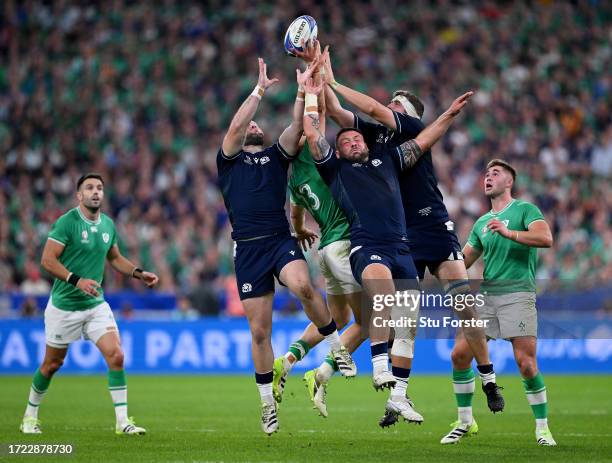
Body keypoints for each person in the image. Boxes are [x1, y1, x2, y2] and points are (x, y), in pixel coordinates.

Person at [319, 48, 504, 426]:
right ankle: (398, 397)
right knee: (406, 317)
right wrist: (316, 80)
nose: (390, 107)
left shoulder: (411, 129)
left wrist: (334, 80)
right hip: (399, 234)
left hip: (432, 224)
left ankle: (488, 378)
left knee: (462, 301)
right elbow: (339, 114)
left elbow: (369, 106)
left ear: (410, 116)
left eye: (397, 105)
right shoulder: (373, 139)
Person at [216, 57, 355, 435]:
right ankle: (266, 405)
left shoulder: (277, 158)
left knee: (303, 286)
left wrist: (301, 90)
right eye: (251, 124)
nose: (255, 125)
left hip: (279, 240)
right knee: (260, 332)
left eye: (259, 122)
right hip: (247, 249)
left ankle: (337, 345)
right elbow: (236, 125)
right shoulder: (228, 162)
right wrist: (259, 89)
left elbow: (297, 127)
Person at [20, 173, 159, 435]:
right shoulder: (66, 223)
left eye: (99, 188)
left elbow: (115, 258)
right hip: (64, 306)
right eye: (89, 188)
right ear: (79, 195)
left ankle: (122, 422)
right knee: (52, 365)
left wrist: (139, 274)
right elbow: (47, 261)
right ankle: (29, 415)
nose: (95, 192)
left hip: (95, 305)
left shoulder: (107, 224)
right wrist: (77, 281)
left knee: (116, 356)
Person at [272, 46, 364, 417]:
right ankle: (326, 369)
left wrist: (301, 230)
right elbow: (316, 115)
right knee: (373, 324)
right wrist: (314, 76)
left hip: (324, 248)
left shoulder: (294, 177)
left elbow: (293, 216)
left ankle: (290, 358)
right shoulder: (313, 155)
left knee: (338, 319)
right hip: (342, 244)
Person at [440, 159, 556, 445]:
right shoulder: (481, 223)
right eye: (486, 174)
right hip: (488, 297)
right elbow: (464, 260)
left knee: (526, 364)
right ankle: (466, 421)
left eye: (496, 174)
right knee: (459, 355)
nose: (488, 178)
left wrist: (509, 233)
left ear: (509, 182)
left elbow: (546, 237)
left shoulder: (525, 210)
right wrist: (438, 259)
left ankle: (542, 428)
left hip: (519, 294)